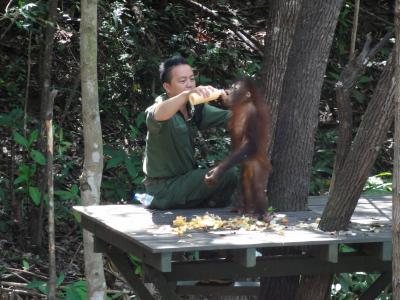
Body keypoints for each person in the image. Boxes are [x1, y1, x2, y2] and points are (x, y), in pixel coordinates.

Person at [142, 56, 237, 210]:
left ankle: (208, 207)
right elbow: (157, 114)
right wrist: (186, 94)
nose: (190, 84)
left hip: (185, 183)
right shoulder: (162, 106)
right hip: (162, 190)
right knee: (227, 173)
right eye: (182, 81)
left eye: (192, 79)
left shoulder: (194, 108)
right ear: (167, 87)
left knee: (229, 173)